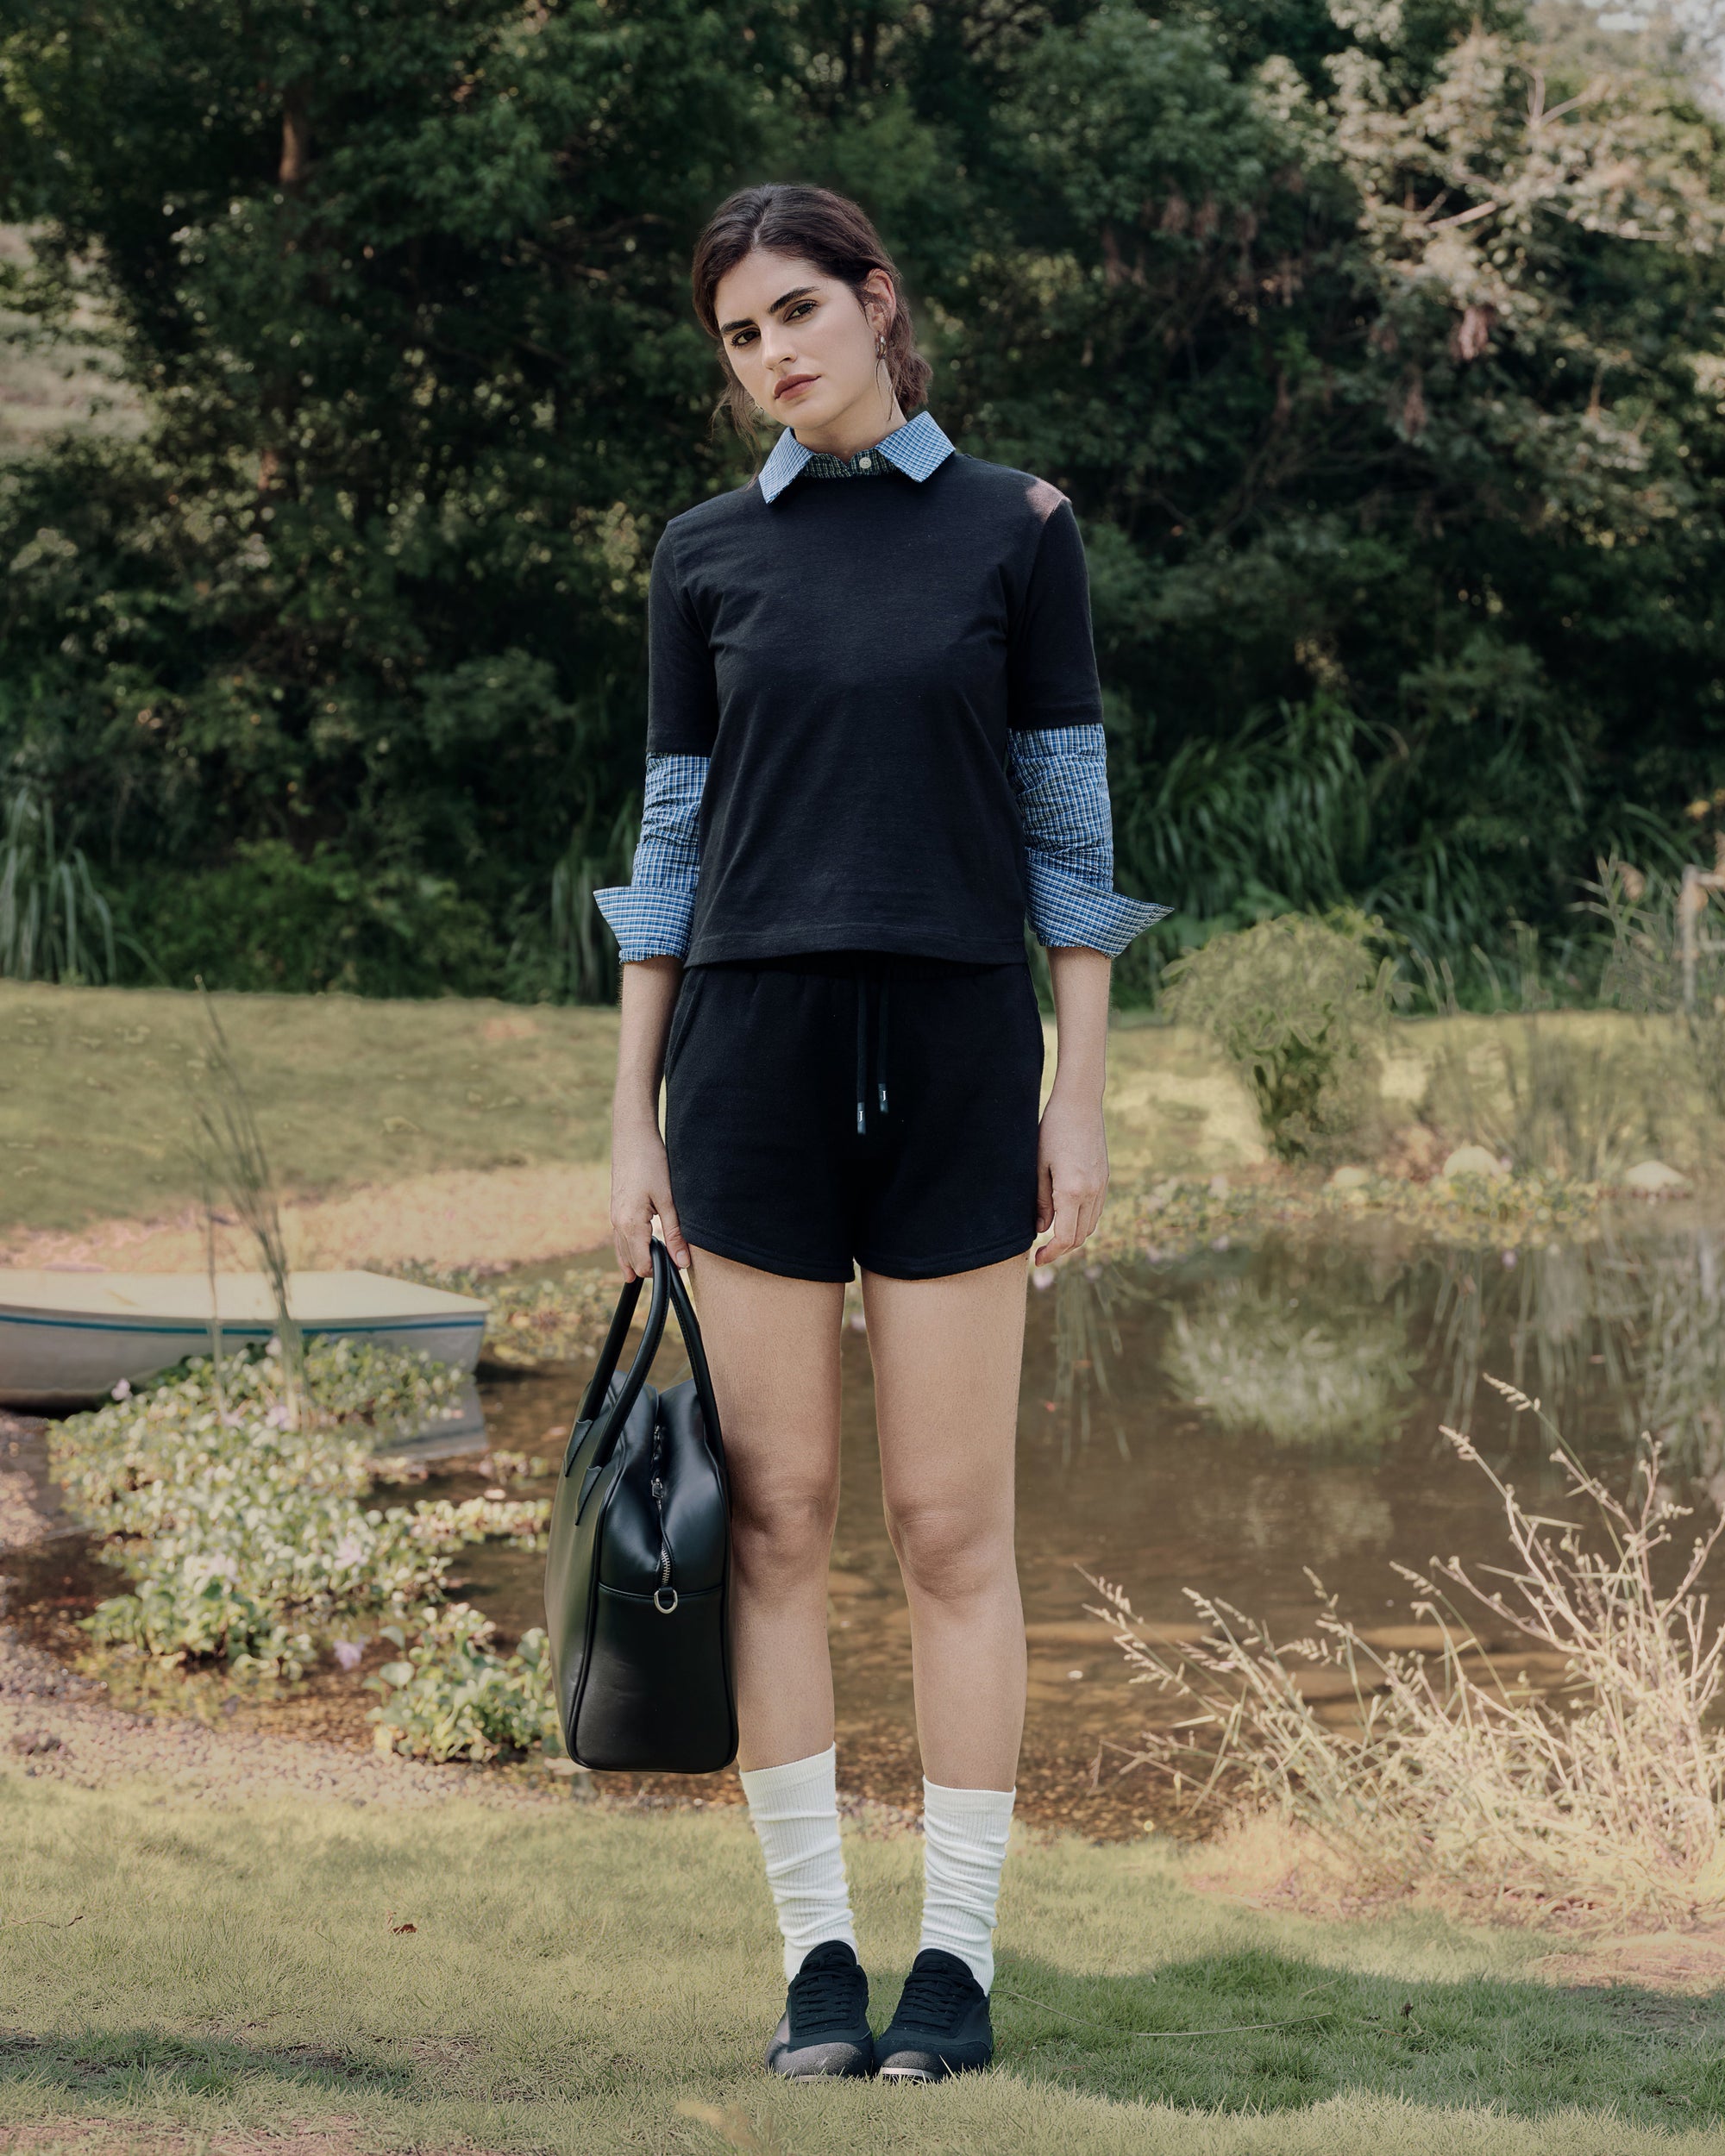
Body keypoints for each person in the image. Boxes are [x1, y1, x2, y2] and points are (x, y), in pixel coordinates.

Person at [593, 182, 1167, 2084]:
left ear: (875, 301)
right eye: (739, 334)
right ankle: (816, 1960)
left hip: (948, 1049)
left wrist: (1074, 1085)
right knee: (772, 1517)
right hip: (745, 1062)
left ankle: (958, 1961)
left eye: (794, 312)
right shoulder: (699, 556)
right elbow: (668, 853)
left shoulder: (1019, 528)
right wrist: (629, 1118)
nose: (771, 354)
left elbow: (1070, 837)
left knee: (947, 1523)